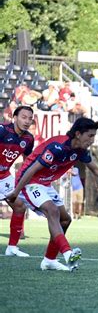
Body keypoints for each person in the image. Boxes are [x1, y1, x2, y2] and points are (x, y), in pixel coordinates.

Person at [6, 117, 98, 271]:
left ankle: (49, 260)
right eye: (90, 136)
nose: (92, 140)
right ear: (78, 134)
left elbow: (97, 170)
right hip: (29, 182)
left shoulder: (80, 151)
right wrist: (16, 191)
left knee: (65, 220)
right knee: (52, 211)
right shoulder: (57, 147)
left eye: (94, 136)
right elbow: (32, 169)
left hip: (45, 184)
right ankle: (67, 253)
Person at [1, 106, 35, 257]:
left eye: (30, 118)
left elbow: (28, 161)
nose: (27, 121)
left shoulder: (28, 139)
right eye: (23, 117)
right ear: (14, 117)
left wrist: (26, 178)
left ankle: (12, 247)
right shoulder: (2, 130)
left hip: (4, 176)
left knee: (20, 206)